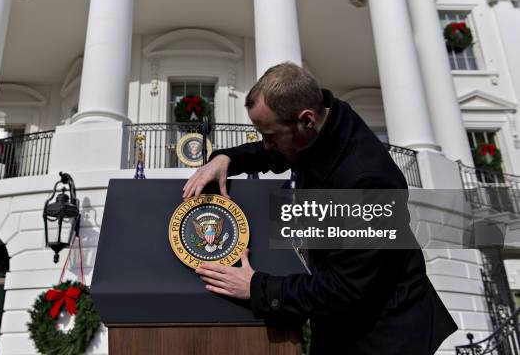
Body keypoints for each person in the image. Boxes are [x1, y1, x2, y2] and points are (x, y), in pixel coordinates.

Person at [183, 63, 457, 354]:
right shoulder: (323, 128)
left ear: (306, 120)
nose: (267, 144)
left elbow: (346, 289)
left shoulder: (367, 183)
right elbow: (275, 153)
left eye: (271, 136)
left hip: (385, 335)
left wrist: (257, 287)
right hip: (345, 320)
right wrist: (226, 159)